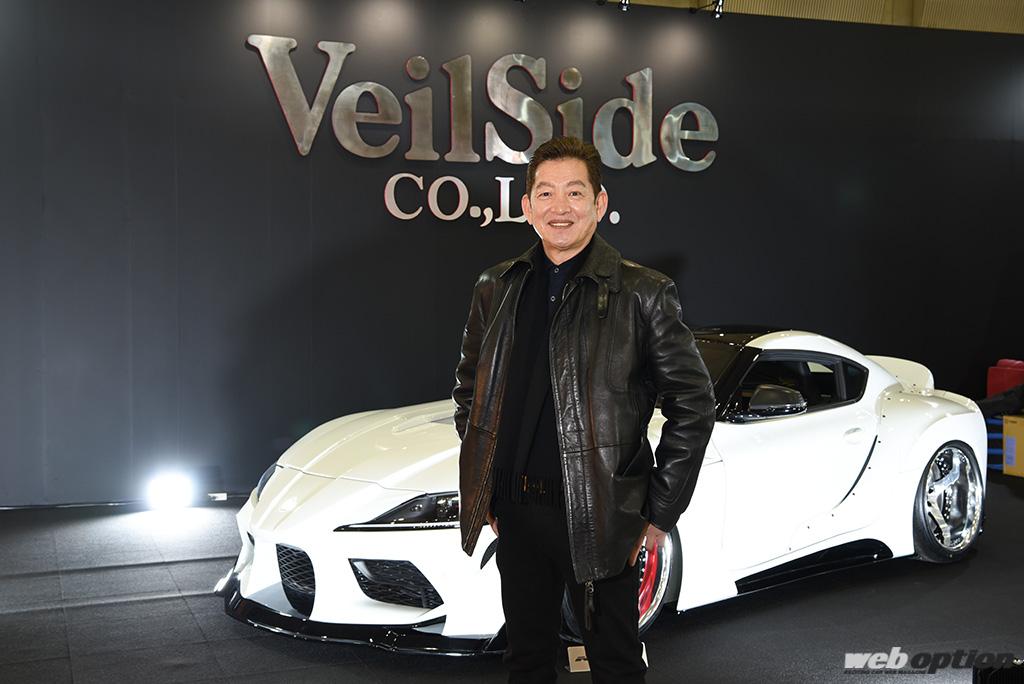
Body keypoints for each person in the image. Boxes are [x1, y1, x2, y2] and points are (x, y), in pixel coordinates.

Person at [452, 136, 715, 684]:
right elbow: (470, 392)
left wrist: (659, 512)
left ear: (599, 203)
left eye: (574, 192)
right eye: (546, 193)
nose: (560, 207)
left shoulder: (643, 293)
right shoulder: (495, 287)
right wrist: (488, 483)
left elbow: (693, 403)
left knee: (616, 665)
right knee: (525, 661)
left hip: (601, 515)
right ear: (527, 207)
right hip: (516, 512)